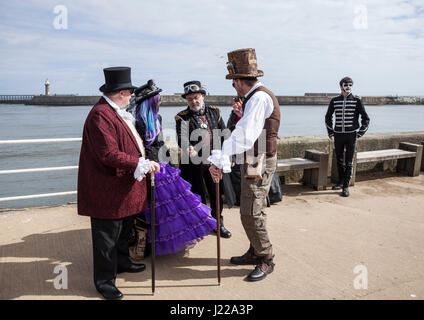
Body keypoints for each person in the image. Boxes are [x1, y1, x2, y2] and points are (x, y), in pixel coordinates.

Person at [77, 67, 160, 300]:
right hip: (106, 189)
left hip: (122, 186)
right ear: (121, 93)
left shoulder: (116, 112)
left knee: (124, 229)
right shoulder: (100, 115)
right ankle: (104, 282)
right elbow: (108, 154)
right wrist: (140, 164)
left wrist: (141, 160)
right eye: (130, 92)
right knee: (106, 238)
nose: (132, 96)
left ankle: (122, 263)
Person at [209, 48, 280, 282]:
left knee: (251, 211)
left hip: (258, 160)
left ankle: (266, 257)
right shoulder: (254, 98)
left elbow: (247, 136)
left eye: (233, 82)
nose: (233, 86)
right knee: (249, 207)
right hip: (253, 158)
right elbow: (250, 131)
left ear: (239, 81)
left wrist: (222, 154)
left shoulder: (258, 98)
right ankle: (255, 250)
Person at [125, 80, 217, 261]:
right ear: (150, 101)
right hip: (146, 166)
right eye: (157, 99)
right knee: (147, 206)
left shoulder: (156, 117)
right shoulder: (134, 120)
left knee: (164, 208)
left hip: (162, 163)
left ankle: (154, 241)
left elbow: (160, 143)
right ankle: (143, 243)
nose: (159, 102)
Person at [175, 81, 232, 238]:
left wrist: (228, 154)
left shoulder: (215, 112)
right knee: (196, 195)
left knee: (216, 193)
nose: (193, 101)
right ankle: (199, 224)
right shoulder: (182, 117)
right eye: (190, 99)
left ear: (203, 96)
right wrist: (188, 146)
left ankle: (218, 224)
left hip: (214, 160)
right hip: (194, 163)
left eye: (196, 97)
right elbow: (181, 137)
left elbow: (225, 133)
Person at [325, 77, 370, 197]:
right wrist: (331, 132)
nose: (348, 87)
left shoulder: (357, 100)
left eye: (350, 85)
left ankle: (346, 186)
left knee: (349, 162)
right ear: (341, 86)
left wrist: (360, 133)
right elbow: (328, 117)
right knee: (339, 160)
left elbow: (366, 118)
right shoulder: (334, 100)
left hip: (351, 135)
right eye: (346, 85)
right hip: (338, 135)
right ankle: (340, 182)